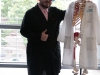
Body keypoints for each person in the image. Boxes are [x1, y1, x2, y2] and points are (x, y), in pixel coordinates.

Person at [20, 0, 65, 75]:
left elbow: (70, 13)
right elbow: (24, 31)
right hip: (37, 56)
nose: (48, 0)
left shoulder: (55, 12)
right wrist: (39, 36)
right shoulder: (30, 13)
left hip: (53, 56)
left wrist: (81, 4)